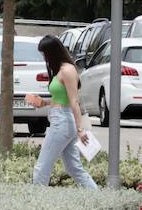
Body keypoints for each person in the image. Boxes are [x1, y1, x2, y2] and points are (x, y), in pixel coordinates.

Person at [25, 35, 98, 189]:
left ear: (53, 52)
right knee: (74, 168)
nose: (44, 57)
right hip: (61, 120)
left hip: (62, 122)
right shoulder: (61, 70)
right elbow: (61, 100)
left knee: (42, 167)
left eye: (45, 53)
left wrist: (80, 129)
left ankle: (36, 204)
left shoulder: (67, 70)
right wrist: (43, 102)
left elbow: (74, 101)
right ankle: (97, 197)